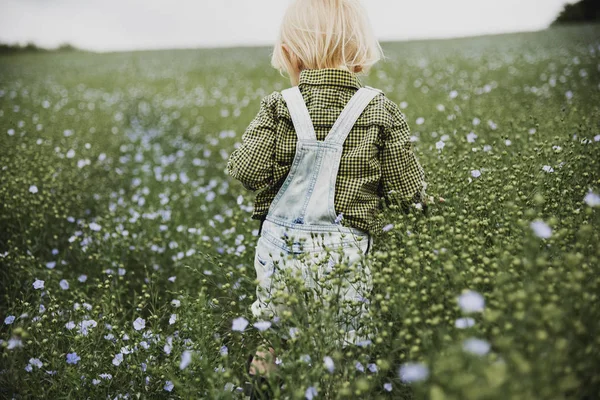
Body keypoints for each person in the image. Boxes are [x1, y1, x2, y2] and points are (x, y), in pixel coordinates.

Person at [226, 0, 430, 396]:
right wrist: (421, 204)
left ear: (288, 51)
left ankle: (266, 384)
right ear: (361, 49)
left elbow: (246, 172)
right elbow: (408, 194)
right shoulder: (381, 109)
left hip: (279, 249)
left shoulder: (278, 106)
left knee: (276, 333)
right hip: (345, 253)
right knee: (342, 347)